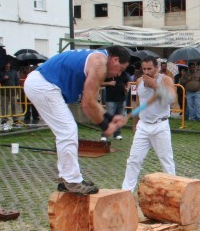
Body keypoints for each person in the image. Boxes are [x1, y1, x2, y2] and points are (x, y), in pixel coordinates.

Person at [24, 46, 130, 195]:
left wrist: (110, 118)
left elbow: (93, 103)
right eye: (120, 69)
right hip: (44, 85)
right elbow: (87, 103)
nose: (119, 74)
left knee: (66, 131)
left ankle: (66, 178)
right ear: (115, 60)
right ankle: (72, 181)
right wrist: (105, 126)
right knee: (67, 130)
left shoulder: (98, 58)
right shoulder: (100, 63)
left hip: (42, 83)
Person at [122, 56, 176, 191]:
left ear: (156, 68)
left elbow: (171, 99)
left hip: (160, 124)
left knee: (166, 160)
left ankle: (173, 191)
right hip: (143, 125)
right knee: (133, 160)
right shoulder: (139, 81)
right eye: (144, 69)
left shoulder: (165, 79)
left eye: (149, 69)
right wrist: (135, 123)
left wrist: (156, 86)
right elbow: (138, 103)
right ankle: (126, 192)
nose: (146, 72)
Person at [100, 68, 130, 141]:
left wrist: (127, 88)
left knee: (119, 117)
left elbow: (128, 82)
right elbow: (100, 83)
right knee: (108, 117)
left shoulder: (124, 73)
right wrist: (109, 83)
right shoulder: (109, 73)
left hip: (122, 99)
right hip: (111, 99)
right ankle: (105, 135)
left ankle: (117, 134)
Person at [0, 60, 20, 127]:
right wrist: (3, 78)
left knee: (14, 106)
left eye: (8, 64)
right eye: (6, 64)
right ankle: (4, 119)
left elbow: (17, 81)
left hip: (13, 91)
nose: (8, 65)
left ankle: (15, 118)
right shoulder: (1, 72)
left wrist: (17, 89)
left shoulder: (14, 72)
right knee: (4, 106)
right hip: (4, 92)